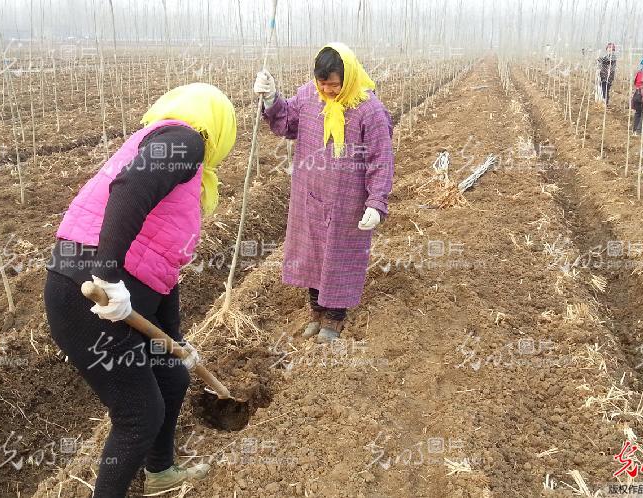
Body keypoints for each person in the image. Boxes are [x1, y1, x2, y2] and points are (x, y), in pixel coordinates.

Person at [44, 83, 236, 497]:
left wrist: (179, 344)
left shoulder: (179, 157)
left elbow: (162, 267)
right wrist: (108, 274)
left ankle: (161, 472)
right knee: (138, 415)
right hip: (89, 295)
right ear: (219, 128)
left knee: (172, 376)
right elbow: (129, 188)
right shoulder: (184, 140)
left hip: (118, 295)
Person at [253, 42, 394, 344]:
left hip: (348, 200)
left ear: (349, 78)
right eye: (323, 84)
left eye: (334, 85)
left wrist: (376, 202)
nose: (328, 91)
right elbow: (286, 123)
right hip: (311, 193)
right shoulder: (309, 95)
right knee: (313, 253)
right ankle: (315, 312)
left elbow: (381, 159)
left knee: (341, 256)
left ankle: (335, 318)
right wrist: (271, 98)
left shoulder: (369, 109)